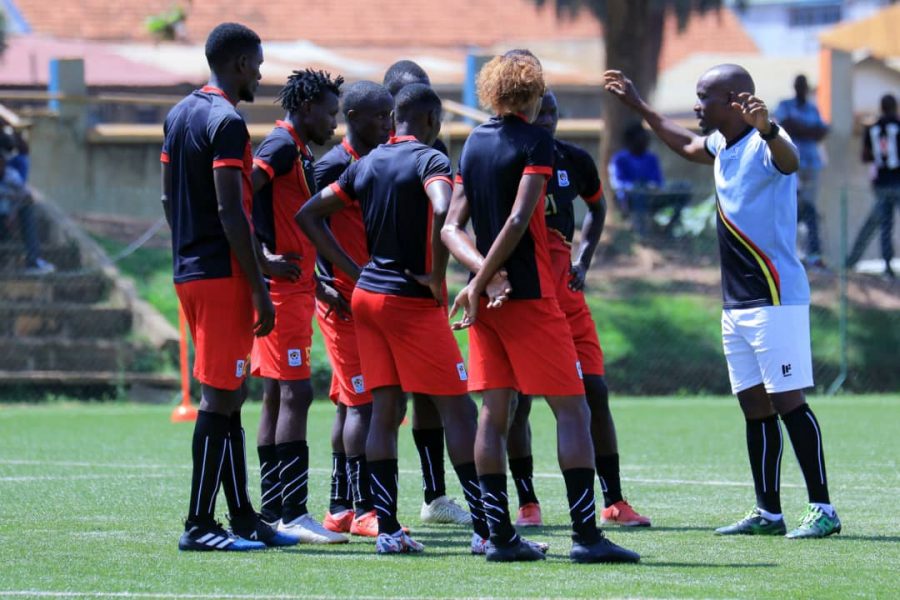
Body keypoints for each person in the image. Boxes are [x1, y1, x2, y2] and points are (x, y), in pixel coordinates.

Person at [605, 64, 841, 538]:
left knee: (788, 401)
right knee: (754, 405)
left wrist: (768, 127)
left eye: (704, 97)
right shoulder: (720, 144)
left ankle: (823, 508)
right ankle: (768, 512)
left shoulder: (765, 141)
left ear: (734, 101)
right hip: (737, 303)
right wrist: (639, 105)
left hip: (774, 296)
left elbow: (791, 159)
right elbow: (687, 145)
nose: (697, 105)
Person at [442, 51, 639, 563]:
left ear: (492, 92)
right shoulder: (537, 143)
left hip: (489, 301)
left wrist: (479, 280)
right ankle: (586, 537)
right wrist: (491, 276)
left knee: (494, 414)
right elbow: (516, 220)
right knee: (572, 409)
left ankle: (500, 538)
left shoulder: (474, 143)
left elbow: (450, 228)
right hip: (529, 296)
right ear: (533, 93)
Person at [298, 83, 493, 555]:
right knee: (458, 409)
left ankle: (387, 529)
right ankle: (487, 529)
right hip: (410, 300)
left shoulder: (365, 164)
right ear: (430, 121)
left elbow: (307, 215)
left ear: (394, 117)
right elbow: (444, 209)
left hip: (367, 297)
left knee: (385, 410)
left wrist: (352, 270)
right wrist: (437, 274)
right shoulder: (431, 159)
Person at [505, 90, 651, 529]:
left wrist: (583, 261)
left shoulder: (574, 160)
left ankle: (614, 501)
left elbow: (597, 207)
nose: (546, 118)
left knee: (595, 392)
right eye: (540, 111)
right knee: (519, 402)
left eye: (552, 111)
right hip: (525, 298)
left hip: (566, 298)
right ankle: (527, 502)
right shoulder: (506, 158)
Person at [162, 22, 280, 552]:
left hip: (191, 271)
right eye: (257, 64)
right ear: (239, 64)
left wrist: (190, 252)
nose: (260, 74)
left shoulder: (179, 114)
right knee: (219, 397)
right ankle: (199, 524)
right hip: (222, 275)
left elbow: (169, 201)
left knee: (231, 392)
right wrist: (258, 287)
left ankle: (243, 517)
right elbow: (231, 210)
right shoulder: (227, 121)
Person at [249, 69, 348, 544]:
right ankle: (292, 512)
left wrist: (319, 285)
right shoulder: (280, 146)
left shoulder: (299, 150)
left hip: (296, 290)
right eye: (330, 113)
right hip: (280, 293)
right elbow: (241, 193)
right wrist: (262, 257)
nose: (334, 123)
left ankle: (273, 511)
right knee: (296, 393)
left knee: (276, 394)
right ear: (307, 108)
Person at [381, 59, 471, 526]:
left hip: (417, 288)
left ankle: (433, 496)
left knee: (425, 396)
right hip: (397, 290)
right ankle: (358, 505)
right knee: (384, 400)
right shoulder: (378, 148)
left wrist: (442, 272)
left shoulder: (431, 149)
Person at [312, 80, 394, 538]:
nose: (387, 124)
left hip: (369, 297)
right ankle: (366, 509)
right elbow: (304, 222)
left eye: (390, 115)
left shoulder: (377, 161)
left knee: (350, 404)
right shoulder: (332, 165)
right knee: (363, 403)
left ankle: (339, 508)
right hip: (342, 301)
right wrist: (321, 282)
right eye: (380, 116)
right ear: (354, 118)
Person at [774, 75, 829, 268]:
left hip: (812, 164)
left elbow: (821, 131)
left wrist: (801, 128)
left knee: (809, 208)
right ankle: (790, 250)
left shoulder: (813, 108)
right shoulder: (785, 105)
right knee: (793, 206)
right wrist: (808, 130)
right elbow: (785, 127)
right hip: (791, 164)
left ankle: (810, 253)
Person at [846, 93, 900, 279]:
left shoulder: (872, 127)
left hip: (881, 184)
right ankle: (853, 262)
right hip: (897, 181)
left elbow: (865, 156)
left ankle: (885, 266)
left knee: (884, 226)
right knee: (882, 225)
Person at [0, 146, 55, 275]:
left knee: (28, 208)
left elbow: (27, 196)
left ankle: (33, 261)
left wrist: (13, 213)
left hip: (8, 217)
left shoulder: (11, 176)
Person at [608, 122, 664, 236]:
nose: (645, 142)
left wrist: (651, 186)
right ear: (631, 141)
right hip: (628, 199)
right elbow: (617, 183)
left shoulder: (651, 158)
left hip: (651, 196)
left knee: (682, 192)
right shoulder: (620, 159)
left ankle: (667, 230)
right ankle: (640, 233)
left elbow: (659, 182)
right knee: (639, 195)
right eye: (641, 139)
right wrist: (635, 187)